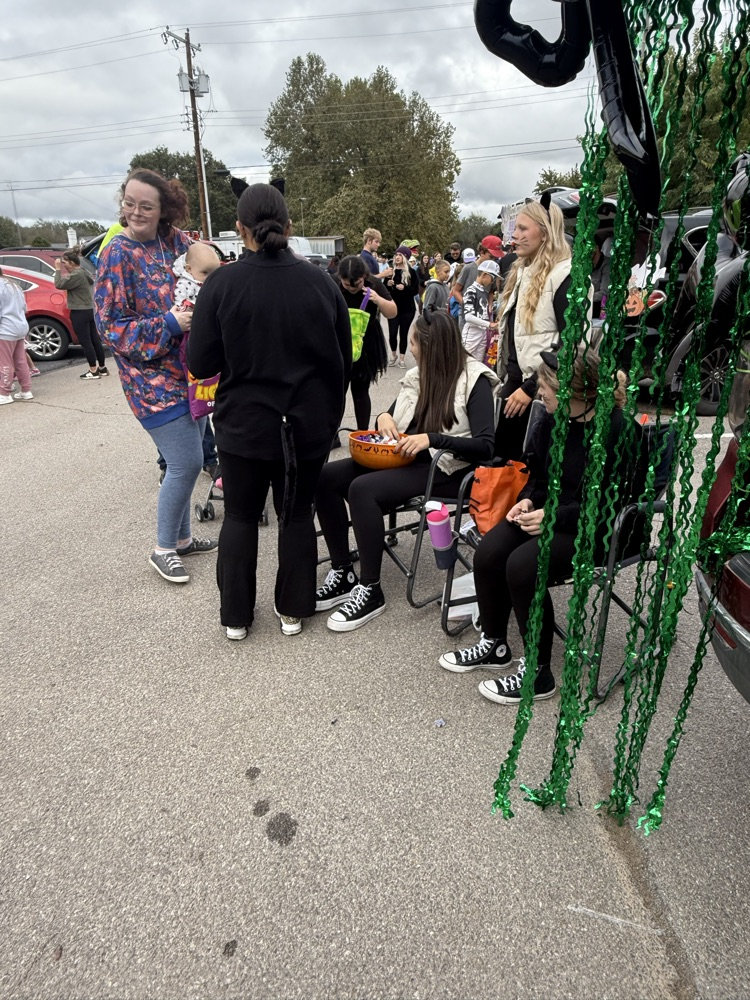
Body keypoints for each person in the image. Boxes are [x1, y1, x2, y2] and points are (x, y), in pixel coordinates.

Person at [187, 182, 351, 640]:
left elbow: (200, 363)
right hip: (306, 425)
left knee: (239, 515)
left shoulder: (221, 283)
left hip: (244, 423)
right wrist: (327, 417)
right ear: (289, 226)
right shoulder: (321, 283)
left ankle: (236, 616)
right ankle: (293, 609)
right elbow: (342, 361)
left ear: (241, 230)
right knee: (296, 515)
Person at [439, 349, 626, 704]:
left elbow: (609, 506)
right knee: (490, 552)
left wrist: (554, 516)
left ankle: (539, 673)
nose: (539, 393)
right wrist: (527, 499)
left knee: (523, 565)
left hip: (598, 530)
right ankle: (495, 644)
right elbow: (538, 479)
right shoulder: (551, 423)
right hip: (551, 515)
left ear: (572, 390)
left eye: (544, 387)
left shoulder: (617, 430)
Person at [315, 308, 498, 632]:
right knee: (328, 477)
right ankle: (344, 570)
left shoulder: (475, 379)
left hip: (450, 469)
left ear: (430, 347)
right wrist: (383, 418)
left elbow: (486, 447)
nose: (410, 349)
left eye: (414, 343)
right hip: (408, 457)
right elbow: (394, 416)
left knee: (363, 490)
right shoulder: (419, 375)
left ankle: (371, 589)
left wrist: (433, 438)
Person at [94, 167, 216, 585]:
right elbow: (111, 328)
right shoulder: (116, 254)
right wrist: (168, 324)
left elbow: (211, 263)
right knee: (186, 462)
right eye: (129, 203)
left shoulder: (176, 242)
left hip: (191, 371)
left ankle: (182, 539)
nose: (135, 212)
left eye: (146, 206)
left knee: (194, 449)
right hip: (149, 382)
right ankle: (163, 548)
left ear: (165, 210)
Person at [493, 199, 582, 461]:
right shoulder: (522, 272)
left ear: (544, 232)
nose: (515, 236)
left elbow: (573, 344)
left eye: (522, 229)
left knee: (529, 473)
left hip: (543, 394)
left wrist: (531, 387)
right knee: (501, 469)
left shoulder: (566, 276)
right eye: (515, 229)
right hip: (515, 388)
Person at [335, 254, 396, 429]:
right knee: (338, 392)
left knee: (360, 390)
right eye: (347, 285)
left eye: (358, 284)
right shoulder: (333, 283)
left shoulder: (374, 284)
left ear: (365, 276)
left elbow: (392, 312)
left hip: (366, 342)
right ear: (341, 278)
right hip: (341, 342)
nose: (352, 288)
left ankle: (362, 433)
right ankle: (332, 436)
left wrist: (377, 299)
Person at [54, 251, 107, 379]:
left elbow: (59, 284)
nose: (63, 265)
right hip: (89, 310)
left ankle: (93, 370)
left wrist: (57, 269)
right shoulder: (84, 272)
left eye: (65, 262)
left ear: (72, 262)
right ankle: (102, 368)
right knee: (94, 340)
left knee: (86, 341)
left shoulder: (77, 275)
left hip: (79, 311)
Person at [0, 266, 33, 405]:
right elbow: (24, 307)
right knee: (20, 360)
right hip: (20, 326)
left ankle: (4, 393)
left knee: (4, 362)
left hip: (5, 329)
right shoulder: (13, 285)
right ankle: (26, 390)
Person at [385, 245, 419, 368]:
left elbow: (415, 290)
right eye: (396, 255)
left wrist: (405, 288)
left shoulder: (411, 272)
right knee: (392, 334)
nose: (397, 257)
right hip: (393, 308)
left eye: (400, 255)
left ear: (405, 257)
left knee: (403, 333)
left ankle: (402, 358)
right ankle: (393, 354)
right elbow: (384, 289)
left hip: (407, 309)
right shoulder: (390, 271)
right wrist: (388, 284)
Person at [461, 259, 500, 362]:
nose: (492, 282)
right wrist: (489, 324)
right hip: (471, 332)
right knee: (465, 362)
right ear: (484, 275)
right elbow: (468, 316)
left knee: (478, 364)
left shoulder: (483, 291)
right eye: (493, 278)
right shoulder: (471, 291)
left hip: (482, 331)